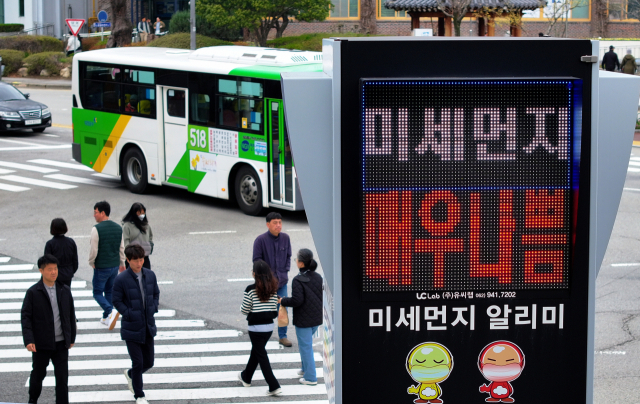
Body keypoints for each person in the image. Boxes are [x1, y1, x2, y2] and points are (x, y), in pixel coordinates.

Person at [21, 254, 76, 404]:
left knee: (62, 379)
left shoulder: (64, 290)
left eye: (55, 268)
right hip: (41, 344)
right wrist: (29, 340)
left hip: (61, 343)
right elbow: (26, 317)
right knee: (38, 375)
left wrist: (71, 337)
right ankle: (33, 399)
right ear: (41, 271)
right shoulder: (33, 292)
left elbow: (71, 315)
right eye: (50, 269)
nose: (54, 272)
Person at [112, 244, 160, 404]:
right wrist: (129, 313)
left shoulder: (150, 275)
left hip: (147, 325)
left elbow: (156, 293)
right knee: (138, 362)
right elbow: (116, 300)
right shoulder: (121, 279)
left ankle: (132, 374)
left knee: (149, 362)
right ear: (128, 260)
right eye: (135, 260)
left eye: (141, 259)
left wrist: (153, 307)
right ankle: (139, 395)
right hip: (131, 327)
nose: (139, 263)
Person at [238, 260, 282, 396]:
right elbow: (275, 306)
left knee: (261, 355)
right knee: (257, 352)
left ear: (254, 274)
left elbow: (244, 310)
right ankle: (246, 377)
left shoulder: (250, 290)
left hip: (255, 328)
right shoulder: (273, 288)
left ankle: (273, 385)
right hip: (268, 328)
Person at [279, 249, 323, 386]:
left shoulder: (298, 280)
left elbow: (297, 301)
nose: (296, 261)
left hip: (303, 320)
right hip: (316, 318)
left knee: (306, 347)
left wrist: (283, 301)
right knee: (306, 345)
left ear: (301, 263)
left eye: (297, 260)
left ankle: (310, 377)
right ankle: (305, 369)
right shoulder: (318, 277)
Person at [252, 212, 292, 347]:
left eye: (280, 222)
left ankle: (283, 336)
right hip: (266, 283)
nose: (278, 225)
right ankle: (263, 335)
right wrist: (265, 278)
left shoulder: (285, 238)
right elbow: (256, 261)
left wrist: (285, 271)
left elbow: (288, 256)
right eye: (275, 223)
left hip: (282, 282)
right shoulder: (260, 240)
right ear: (267, 224)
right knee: (265, 310)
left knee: (283, 309)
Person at [89, 201, 125, 330]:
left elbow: (94, 249)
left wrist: (91, 262)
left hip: (102, 266)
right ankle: (106, 317)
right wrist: (122, 263)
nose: (94, 215)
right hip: (114, 265)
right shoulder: (118, 227)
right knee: (109, 290)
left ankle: (110, 311)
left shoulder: (96, 229)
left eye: (96, 212)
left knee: (97, 292)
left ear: (103, 213)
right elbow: (121, 247)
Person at [44, 218, 78, 288]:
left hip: (55, 274)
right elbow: (75, 260)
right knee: (66, 294)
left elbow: (46, 261)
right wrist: (71, 271)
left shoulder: (50, 244)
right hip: (68, 273)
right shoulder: (70, 242)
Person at [122, 202, 154, 270]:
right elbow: (125, 241)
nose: (141, 215)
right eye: (139, 213)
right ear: (134, 213)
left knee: (146, 278)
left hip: (145, 257)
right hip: (133, 258)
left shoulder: (146, 225)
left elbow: (150, 237)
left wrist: (150, 246)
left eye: (143, 213)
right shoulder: (127, 226)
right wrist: (129, 254)